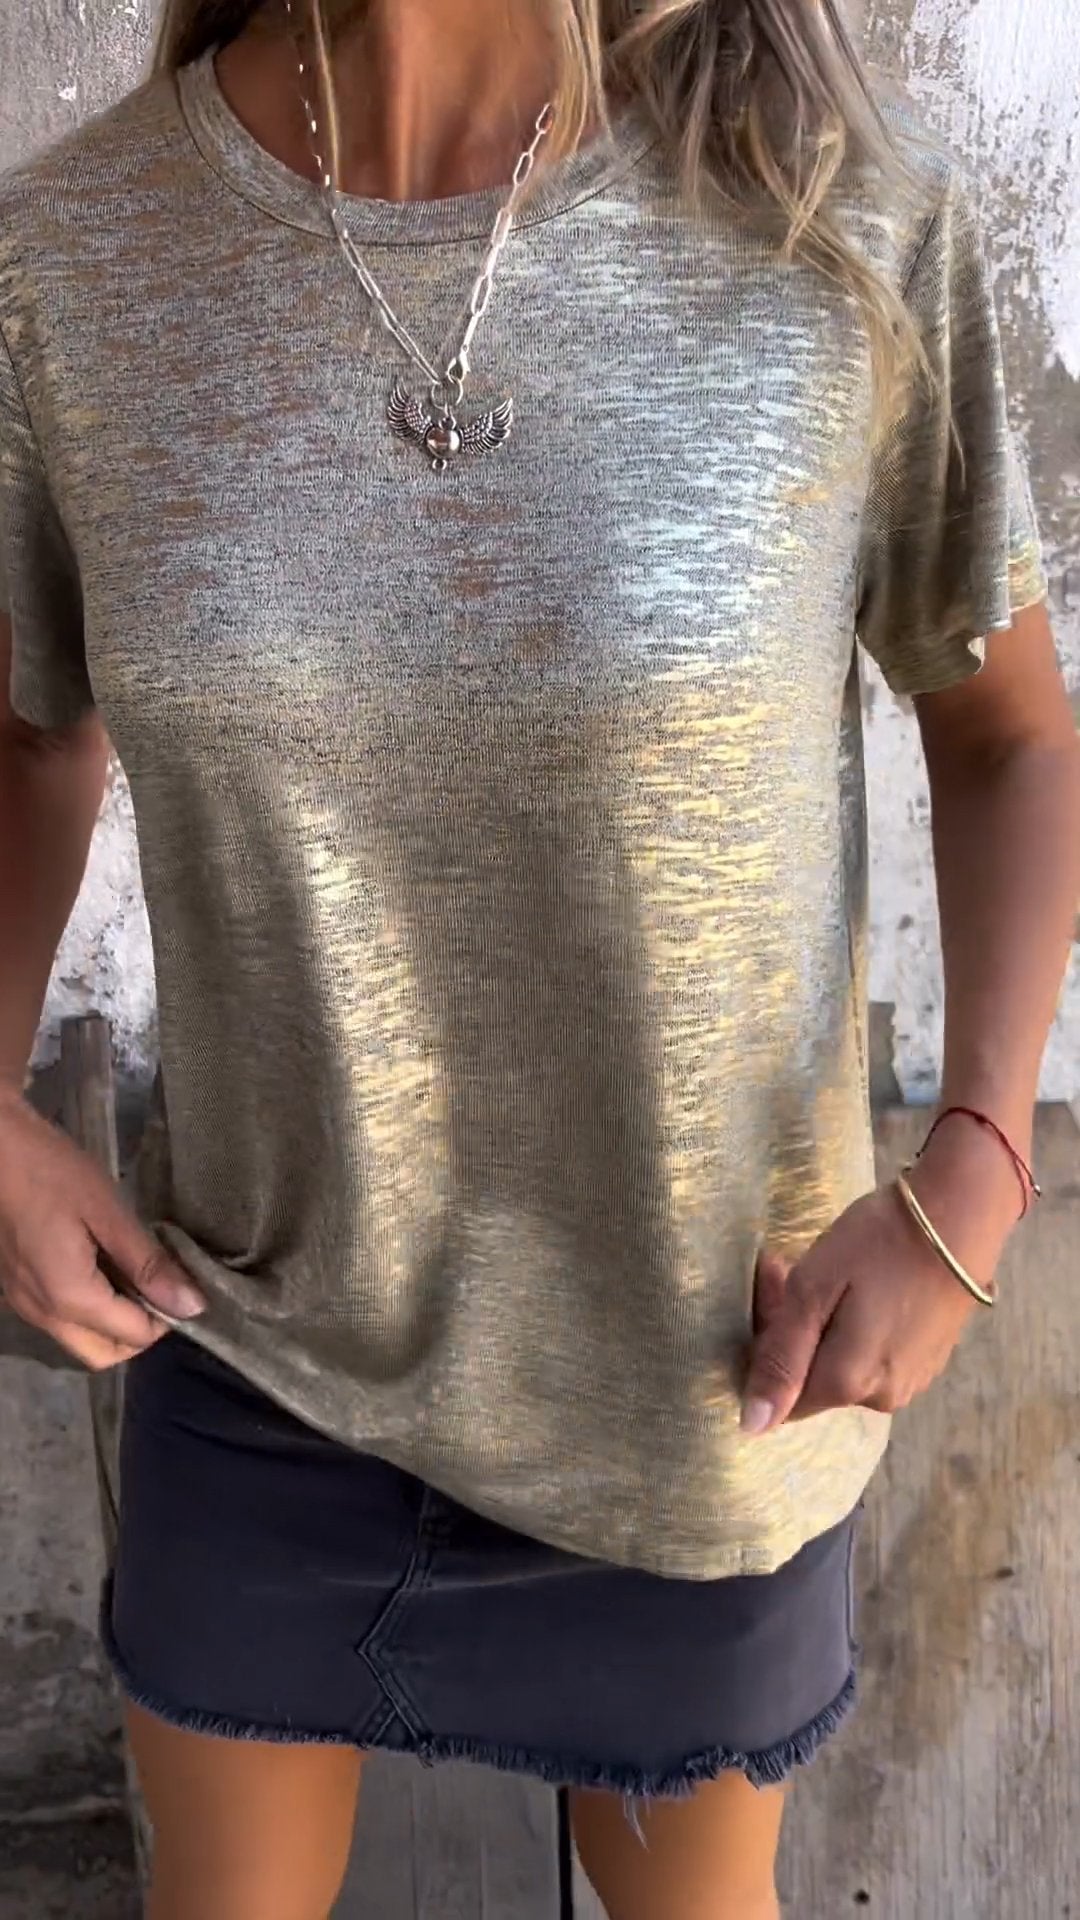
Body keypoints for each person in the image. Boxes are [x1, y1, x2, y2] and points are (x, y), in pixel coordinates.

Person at [1, 0, 1077, 1914]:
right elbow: (27, 735)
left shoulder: (841, 214)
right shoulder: (71, 258)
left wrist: (979, 1165)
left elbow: (1004, 734)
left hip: (708, 1375)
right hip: (255, 1342)